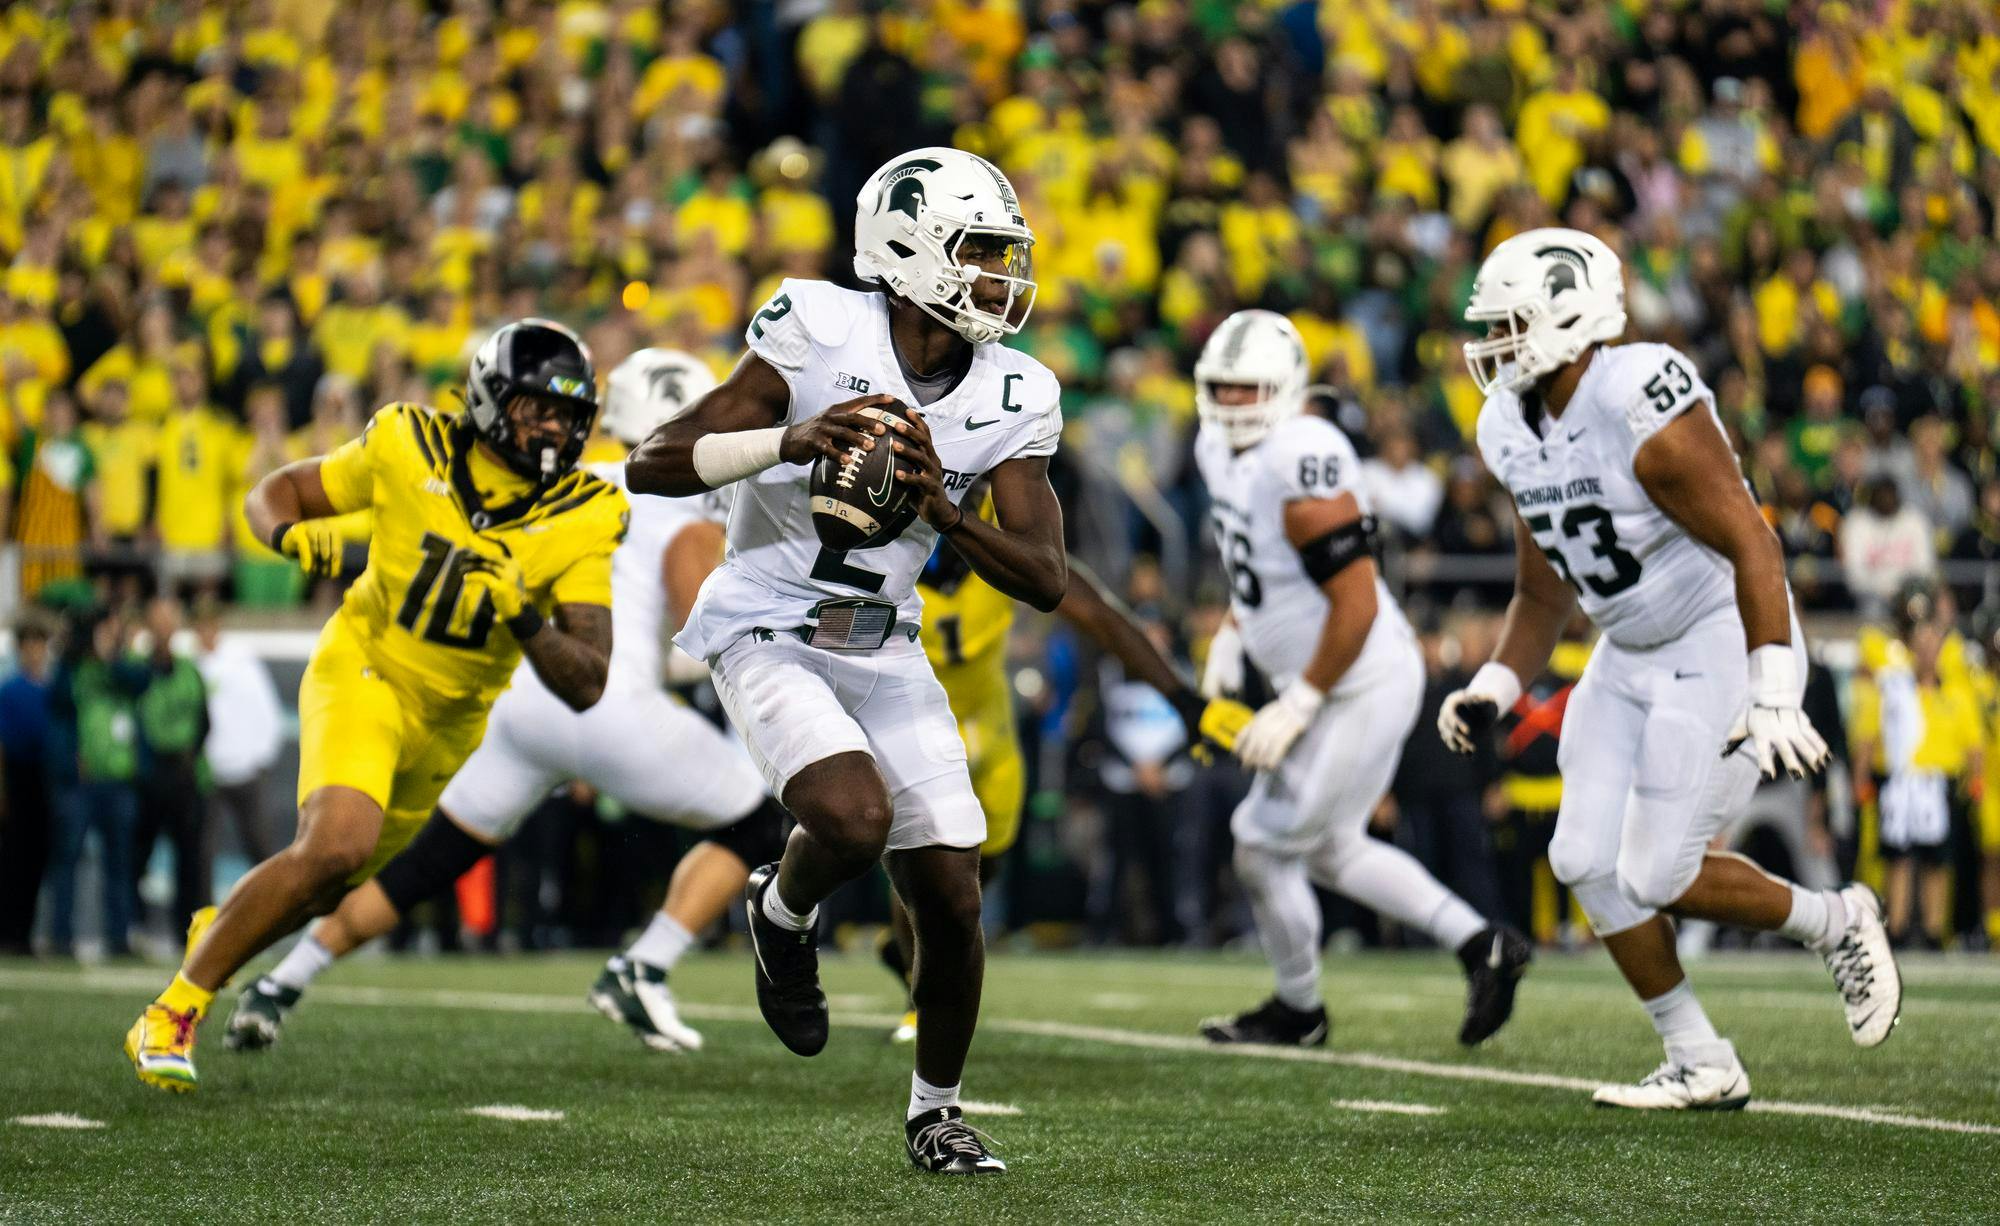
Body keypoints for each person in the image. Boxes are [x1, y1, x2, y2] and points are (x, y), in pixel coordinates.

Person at [628, 148, 1064, 1174]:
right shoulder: (818, 326)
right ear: (906, 252)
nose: (1002, 279)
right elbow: (653, 461)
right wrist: (790, 438)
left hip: (882, 635)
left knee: (952, 894)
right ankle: (781, 910)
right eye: (980, 253)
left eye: (1007, 256)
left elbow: (1045, 574)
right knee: (853, 817)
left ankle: (935, 1112)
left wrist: (943, 511)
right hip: (765, 619)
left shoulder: (1015, 388)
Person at [1439, 228, 1899, 1111]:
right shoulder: (1507, 424)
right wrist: (1494, 686)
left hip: (1717, 632)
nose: (1491, 345)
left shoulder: (1637, 399)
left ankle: (1840, 920)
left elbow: (1754, 541)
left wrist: (1772, 691)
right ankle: (1698, 1055)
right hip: (1629, 646)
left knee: (1657, 871)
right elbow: (1541, 593)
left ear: (1568, 319)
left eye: (1509, 324)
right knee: (1580, 857)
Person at [223, 348, 790, 1056]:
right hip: (602, 696)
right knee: (761, 821)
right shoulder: (690, 493)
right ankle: (645, 965)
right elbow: (693, 609)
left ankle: (282, 982)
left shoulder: (560, 474)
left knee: (428, 859)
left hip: (520, 697)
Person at [123, 319, 628, 1092]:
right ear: (493, 399)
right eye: (539, 409)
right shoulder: (407, 443)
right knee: (335, 848)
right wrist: (291, 536)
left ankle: (220, 930)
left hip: (451, 721)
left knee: (330, 882)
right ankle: (173, 1009)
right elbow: (279, 488)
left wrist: (525, 616)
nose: (557, 428)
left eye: (570, 414)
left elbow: (589, 679)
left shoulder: (584, 512)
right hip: (367, 668)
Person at [1188, 309, 1531, 1051]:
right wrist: (1232, 632)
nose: (1232, 404)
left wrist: (1301, 699)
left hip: (1359, 678)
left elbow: (1355, 600)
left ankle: (1299, 1008)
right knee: (1333, 848)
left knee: (1261, 843)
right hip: (1324, 674)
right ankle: (1484, 946)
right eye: (1221, 388)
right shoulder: (1215, 448)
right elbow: (1266, 569)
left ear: (1284, 389)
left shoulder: (1305, 453)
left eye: (1249, 390)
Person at [880, 527, 1248, 1037]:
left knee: (983, 872)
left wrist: (1182, 699)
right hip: (909, 723)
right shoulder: (878, 530)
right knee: (927, 872)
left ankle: (916, 947)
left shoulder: (997, 529)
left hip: (991, 732)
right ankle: (916, 990)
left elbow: (1096, 611)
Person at [48, 606, 146, 958]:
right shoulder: (73, 668)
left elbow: (141, 682)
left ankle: (118, 937)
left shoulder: (126, 666)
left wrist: (111, 656)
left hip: (119, 780)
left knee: (120, 864)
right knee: (67, 861)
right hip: (80, 782)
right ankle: (61, 937)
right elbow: (55, 702)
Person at [130, 595, 211, 937]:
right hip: (147, 772)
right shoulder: (134, 669)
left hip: (182, 773)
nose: (164, 629)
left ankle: (185, 932)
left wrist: (190, 758)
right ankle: (132, 925)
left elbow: (205, 721)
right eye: (158, 621)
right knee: (137, 853)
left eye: (169, 621)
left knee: (189, 858)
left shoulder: (189, 670)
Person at [194, 598, 286, 870]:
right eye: (199, 627)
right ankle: (203, 910)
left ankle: (272, 908)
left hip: (246, 770)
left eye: (208, 625)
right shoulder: (191, 666)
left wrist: (261, 757)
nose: (204, 632)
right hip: (208, 772)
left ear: (217, 626)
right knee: (203, 850)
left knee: (258, 843)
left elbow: (267, 708)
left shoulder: (242, 662)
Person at [0, 615, 58, 955]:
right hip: (17, 778)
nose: (36, 652)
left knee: (37, 858)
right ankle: (8, 931)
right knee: (13, 859)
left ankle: (24, 932)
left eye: (41, 644)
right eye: (30, 645)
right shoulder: (9, 690)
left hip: (44, 778)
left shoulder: (51, 690)